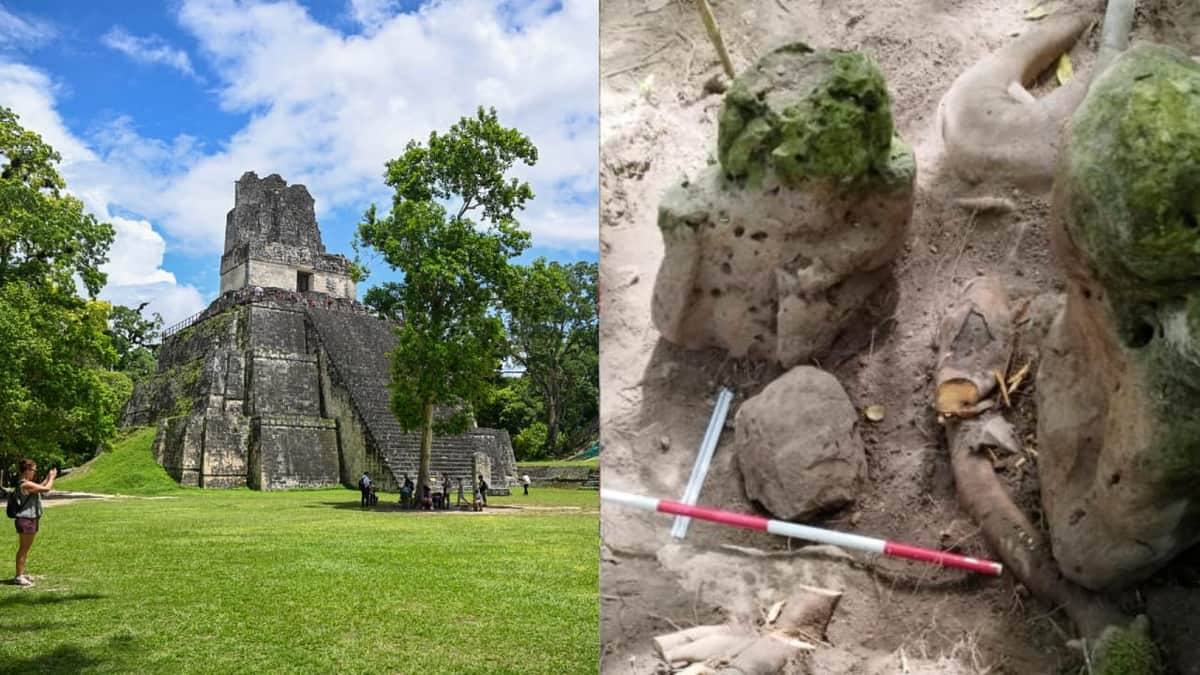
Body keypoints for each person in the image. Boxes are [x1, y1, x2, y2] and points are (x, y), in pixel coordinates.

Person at [12, 459, 55, 588]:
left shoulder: (27, 483)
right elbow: (46, 489)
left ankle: (21, 574)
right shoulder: (24, 484)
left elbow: (41, 487)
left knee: (25, 548)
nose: (35, 473)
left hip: (30, 519)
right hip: (26, 520)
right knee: (23, 548)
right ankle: (19, 576)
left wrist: (48, 477)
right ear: (27, 470)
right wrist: (52, 478)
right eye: (34, 470)